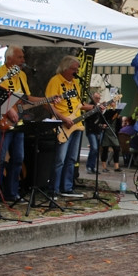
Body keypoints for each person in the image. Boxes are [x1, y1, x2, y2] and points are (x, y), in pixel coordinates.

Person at [0, 45, 44, 203]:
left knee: (18, 158)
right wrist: (8, 108)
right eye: (20, 57)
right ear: (9, 58)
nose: (23, 61)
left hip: (18, 122)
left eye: (23, 58)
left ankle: (12, 193)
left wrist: (46, 101)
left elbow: (26, 98)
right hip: (2, 120)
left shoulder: (22, 75)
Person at [46, 56, 89, 198]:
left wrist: (95, 107)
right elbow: (48, 103)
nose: (76, 72)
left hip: (77, 125)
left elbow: (79, 104)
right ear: (65, 68)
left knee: (71, 159)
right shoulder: (55, 81)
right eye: (73, 69)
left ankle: (67, 187)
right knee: (60, 159)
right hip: (63, 125)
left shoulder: (76, 83)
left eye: (77, 69)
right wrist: (63, 118)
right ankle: (54, 189)